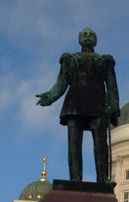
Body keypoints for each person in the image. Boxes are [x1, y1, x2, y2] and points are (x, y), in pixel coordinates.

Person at [36, 28, 120, 183]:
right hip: (75, 103)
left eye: (91, 35)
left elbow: (112, 86)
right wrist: (50, 96)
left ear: (95, 40)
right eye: (84, 34)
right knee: (74, 144)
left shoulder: (105, 61)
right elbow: (62, 83)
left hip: (98, 104)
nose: (88, 37)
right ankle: (75, 179)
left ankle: (102, 179)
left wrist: (114, 109)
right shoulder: (70, 59)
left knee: (101, 144)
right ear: (80, 40)